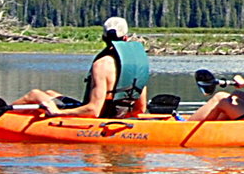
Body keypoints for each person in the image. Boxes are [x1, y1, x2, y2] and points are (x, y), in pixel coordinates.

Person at [17, 17, 151, 118]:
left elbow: (93, 110)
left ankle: (1, 117)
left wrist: (58, 113)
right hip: (119, 114)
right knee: (51, 93)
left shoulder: (102, 64)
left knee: (34, 94)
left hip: (102, 116)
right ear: (126, 38)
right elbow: (140, 109)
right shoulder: (138, 64)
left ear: (103, 37)